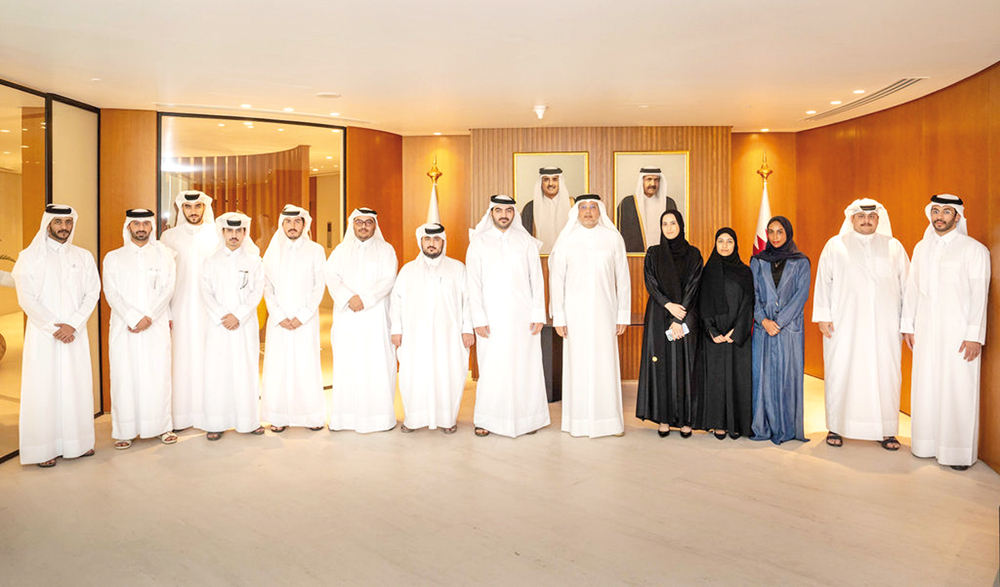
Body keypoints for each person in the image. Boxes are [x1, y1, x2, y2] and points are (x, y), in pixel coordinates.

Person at [901, 194, 990, 470]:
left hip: (959, 335)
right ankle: (925, 445)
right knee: (926, 386)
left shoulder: (974, 250)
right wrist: (908, 325)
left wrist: (975, 335)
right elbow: (912, 289)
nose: (939, 216)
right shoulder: (921, 248)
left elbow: (979, 296)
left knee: (958, 389)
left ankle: (957, 453)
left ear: (958, 216)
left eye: (946, 211)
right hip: (926, 332)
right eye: (936, 211)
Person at [813, 199, 909, 450]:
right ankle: (837, 426)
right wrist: (823, 316)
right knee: (842, 371)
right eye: (861, 217)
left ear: (879, 219)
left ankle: (886, 429)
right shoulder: (835, 246)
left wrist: (907, 323)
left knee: (884, 375)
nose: (866, 221)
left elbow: (908, 288)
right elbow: (824, 281)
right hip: (844, 326)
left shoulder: (894, 247)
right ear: (852, 219)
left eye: (872, 217)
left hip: (885, 328)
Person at [13, 204, 101, 467]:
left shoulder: (83, 256)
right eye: (58, 222)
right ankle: (43, 448)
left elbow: (92, 292)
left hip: (75, 334)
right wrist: (54, 327)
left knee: (76, 386)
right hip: (44, 336)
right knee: (44, 389)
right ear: (48, 223)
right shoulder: (29, 257)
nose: (64, 227)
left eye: (68, 222)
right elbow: (26, 298)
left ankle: (79, 443)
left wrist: (72, 324)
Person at [466, 195, 550, 437]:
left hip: (523, 319)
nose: (504, 215)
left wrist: (538, 313)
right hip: (491, 320)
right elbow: (473, 284)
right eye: (499, 210)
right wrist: (478, 319)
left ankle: (527, 419)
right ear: (491, 212)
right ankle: (487, 419)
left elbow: (537, 279)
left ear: (514, 214)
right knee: (492, 368)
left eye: (508, 211)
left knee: (525, 367)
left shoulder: (526, 243)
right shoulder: (479, 243)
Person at [548, 195, 630, 438]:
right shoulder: (566, 241)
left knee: (605, 365)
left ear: (600, 211)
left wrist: (622, 314)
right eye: (583, 207)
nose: (588, 212)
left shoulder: (613, 238)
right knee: (578, 366)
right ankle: (578, 422)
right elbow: (556, 280)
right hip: (574, 317)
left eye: (593, 207)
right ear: (576, 211)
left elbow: (623, 279)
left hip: (606, 314)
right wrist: (559, 318)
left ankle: (609, 422)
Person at [103, 208, 178, 450]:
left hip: (155, 326)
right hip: (125, 327)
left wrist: (150, 317)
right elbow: (110, 291)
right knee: (125, 376)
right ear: (128, 227)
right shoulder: (113, 257)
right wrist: (133, 317)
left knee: (157, 376)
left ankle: (161, 427)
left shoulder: (165, 256)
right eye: (136, 224)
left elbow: (168, 289)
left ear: (151, 227)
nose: (141, 228)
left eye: (146, 224)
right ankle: (124, 431)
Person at [390, 223, 474, 434]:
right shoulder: (407, 271)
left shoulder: (457, 268)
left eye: (436, 240)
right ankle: (413, 419)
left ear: (443, 242)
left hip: (449, 336)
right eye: (427, 240)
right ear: (421, 242)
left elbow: (468, 301)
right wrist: (396, 329)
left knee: (449, 373)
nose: (432, 244)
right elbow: (396, 301)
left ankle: (447, 419)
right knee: (413, 375)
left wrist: (467, 329)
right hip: (415, 336)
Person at [325, 208, 398, 433]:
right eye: (359, 222)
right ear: (352, 225)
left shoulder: (386, 250)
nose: (364, 226)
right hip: (347, 318)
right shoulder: (340, 250)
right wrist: (349, 298)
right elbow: (331, 277)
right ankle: (345, 419)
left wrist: (364, 300)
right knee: (348, 365)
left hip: (375, 318)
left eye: (368, 222)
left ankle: (380, 419)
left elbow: (388, 279)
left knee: (377, 365)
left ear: (375, 225)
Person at [198, 212, 265, 440]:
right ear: (223, 232)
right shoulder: (210, 261)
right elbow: (205, 293)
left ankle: (248, 421)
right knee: (218, 372)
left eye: (239, 231)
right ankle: (216, 423)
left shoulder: (255, 261)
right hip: (219, 327)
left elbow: (257, 292)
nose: (234, 235)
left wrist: (238, 315)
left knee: (246, 371)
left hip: (244, 326)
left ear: (245, 233)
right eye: (230, 231)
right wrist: (222, 316)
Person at [635, 210, 702, 437]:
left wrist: (677, 316)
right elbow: (651, 283)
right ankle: (663, 418)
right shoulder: (653, 254)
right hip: (659, 314)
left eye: (673, 223)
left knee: (686, 366)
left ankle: (686, 420)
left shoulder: (693, 254)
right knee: (661, 366)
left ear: (681, 225)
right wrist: (668, 305)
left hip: (685, 315)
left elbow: (694, 285)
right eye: (665, 223)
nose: (669, 227)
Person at [260, 205, 327, 433]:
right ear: (282, 224)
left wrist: (303, 315)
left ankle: (311, 415)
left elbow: (319, 286)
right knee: (278, 367)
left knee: (306, 365)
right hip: (278, 321)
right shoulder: (272, 251)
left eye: (297, 222)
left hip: (305, 320)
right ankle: (278, 416)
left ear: (304, 224)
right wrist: (278, 315)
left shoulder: (316, 250)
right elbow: (266, 286)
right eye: (288, 222)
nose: (292, 226)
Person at [160, 190, 219, 431]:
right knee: (180, 360)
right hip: (179, 308)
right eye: (188, 207)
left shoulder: (217, 234)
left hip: (210, 310)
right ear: (181, 210)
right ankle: (181, 416)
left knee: (210, 359)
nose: (193, 211)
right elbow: (162, 278)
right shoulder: (168, 237)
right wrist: (167, 313)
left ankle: (211, 415)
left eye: (197, 206)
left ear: (205, 208)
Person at [750, 216, 811, 445]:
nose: (775, 237)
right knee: (762, 377)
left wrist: (780, 321)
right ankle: (763, 426)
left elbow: (801, 296)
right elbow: (753, 294)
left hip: (789, 330)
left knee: (788, 377)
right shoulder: (758, 261)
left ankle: (787, 428)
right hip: (764, 329)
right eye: (771, 232)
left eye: (780, 232)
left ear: (788, 234)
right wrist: (763, 320)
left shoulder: (801, 262)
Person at [697, 227, 754, 440]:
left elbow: (749, 303)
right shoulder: (707, 271)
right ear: (715, 243)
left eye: (729, 241)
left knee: (738, 379)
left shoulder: (745, 271)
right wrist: (712, 330)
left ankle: (737, 423)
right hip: (715, 336)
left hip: (737, 335)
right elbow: (701, 303)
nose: (724, 245)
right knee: (717, 379)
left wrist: (736, 331)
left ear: (735, 244)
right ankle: (718, 423)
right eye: (720, 241)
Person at [617, 167, 678, 253]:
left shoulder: (669, 203)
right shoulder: (627, 203)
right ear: (642, 181)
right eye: (648, 179)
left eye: (656, 180)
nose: (652, 183)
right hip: (635, 257)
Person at [520, 167, 572, 254]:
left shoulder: (572, 206)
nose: (551, 184)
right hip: (539, 262)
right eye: (546, 180)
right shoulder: (530, 208)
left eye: (555, 179)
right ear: (541, 183)